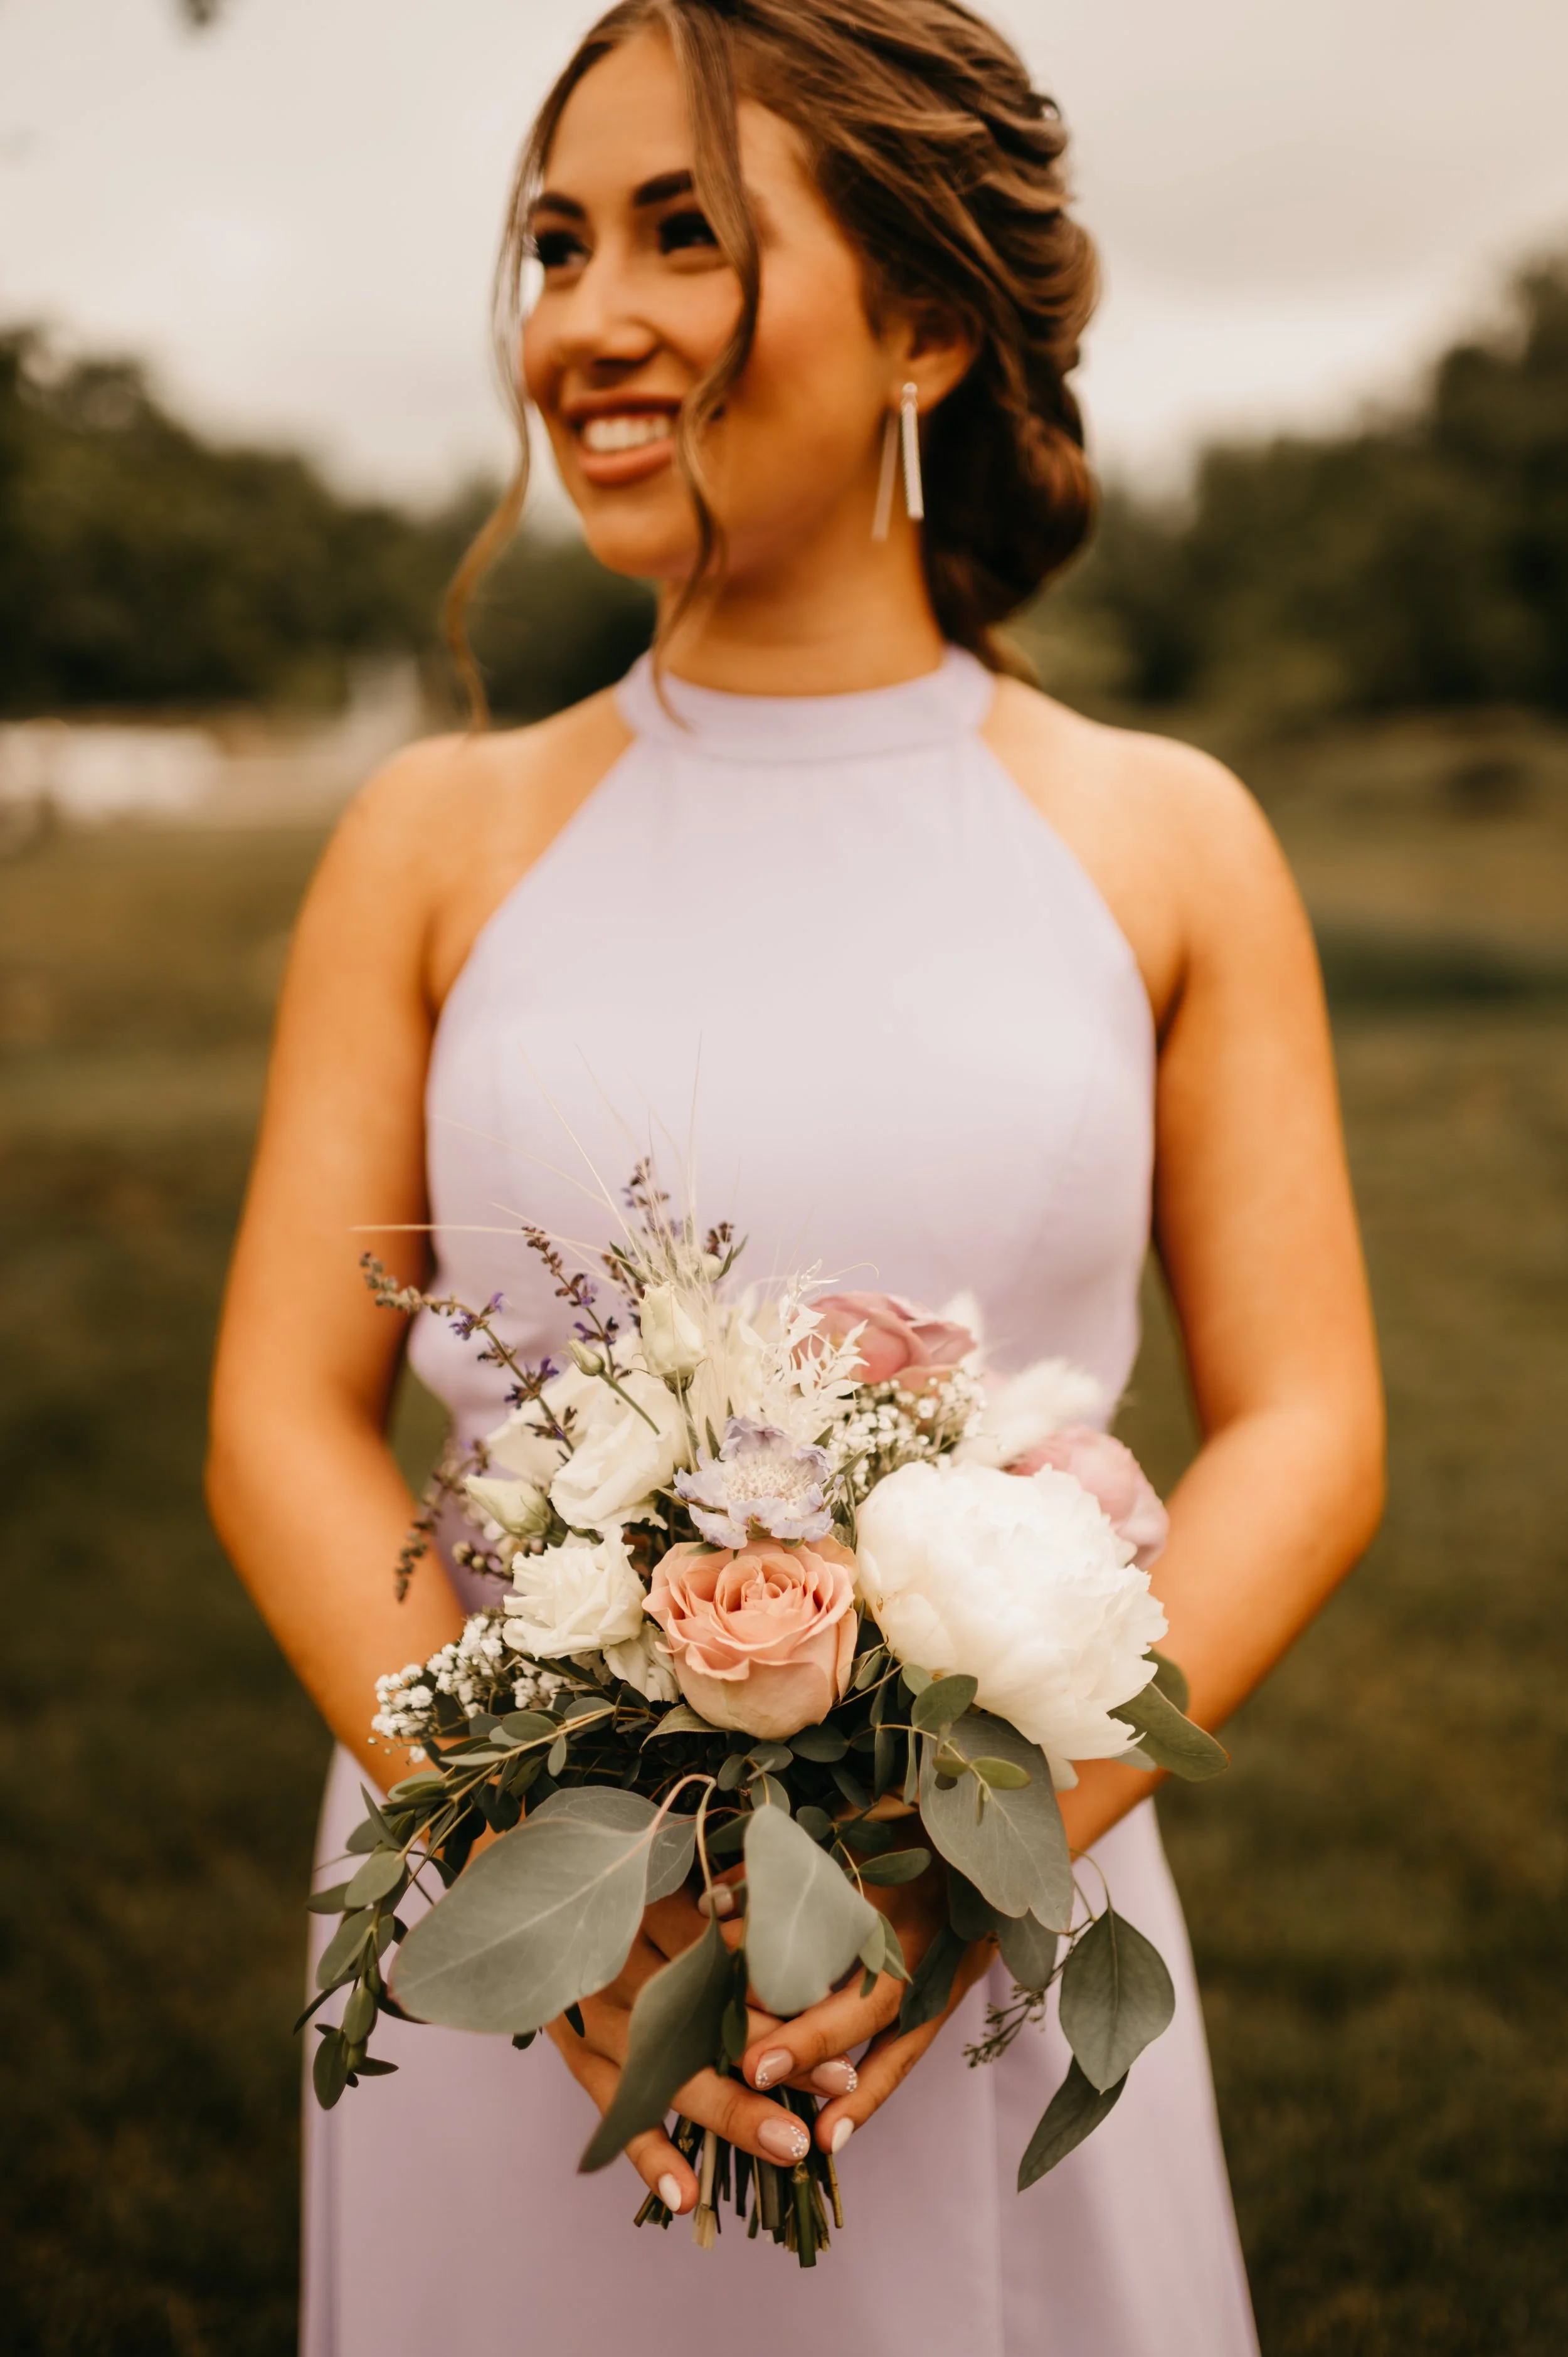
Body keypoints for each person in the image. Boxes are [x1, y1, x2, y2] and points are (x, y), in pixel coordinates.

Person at [206, 3, 1384, 2351]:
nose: (587, 319)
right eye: (556, 242)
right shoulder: (437, 842)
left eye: (684, 236)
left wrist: (985, 1857)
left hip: (987, 1928)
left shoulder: (1160, 840)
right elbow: (284, 1408)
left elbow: (1307, 1423)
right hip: (505, 1970)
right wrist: (507, 1858)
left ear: (928, 322)